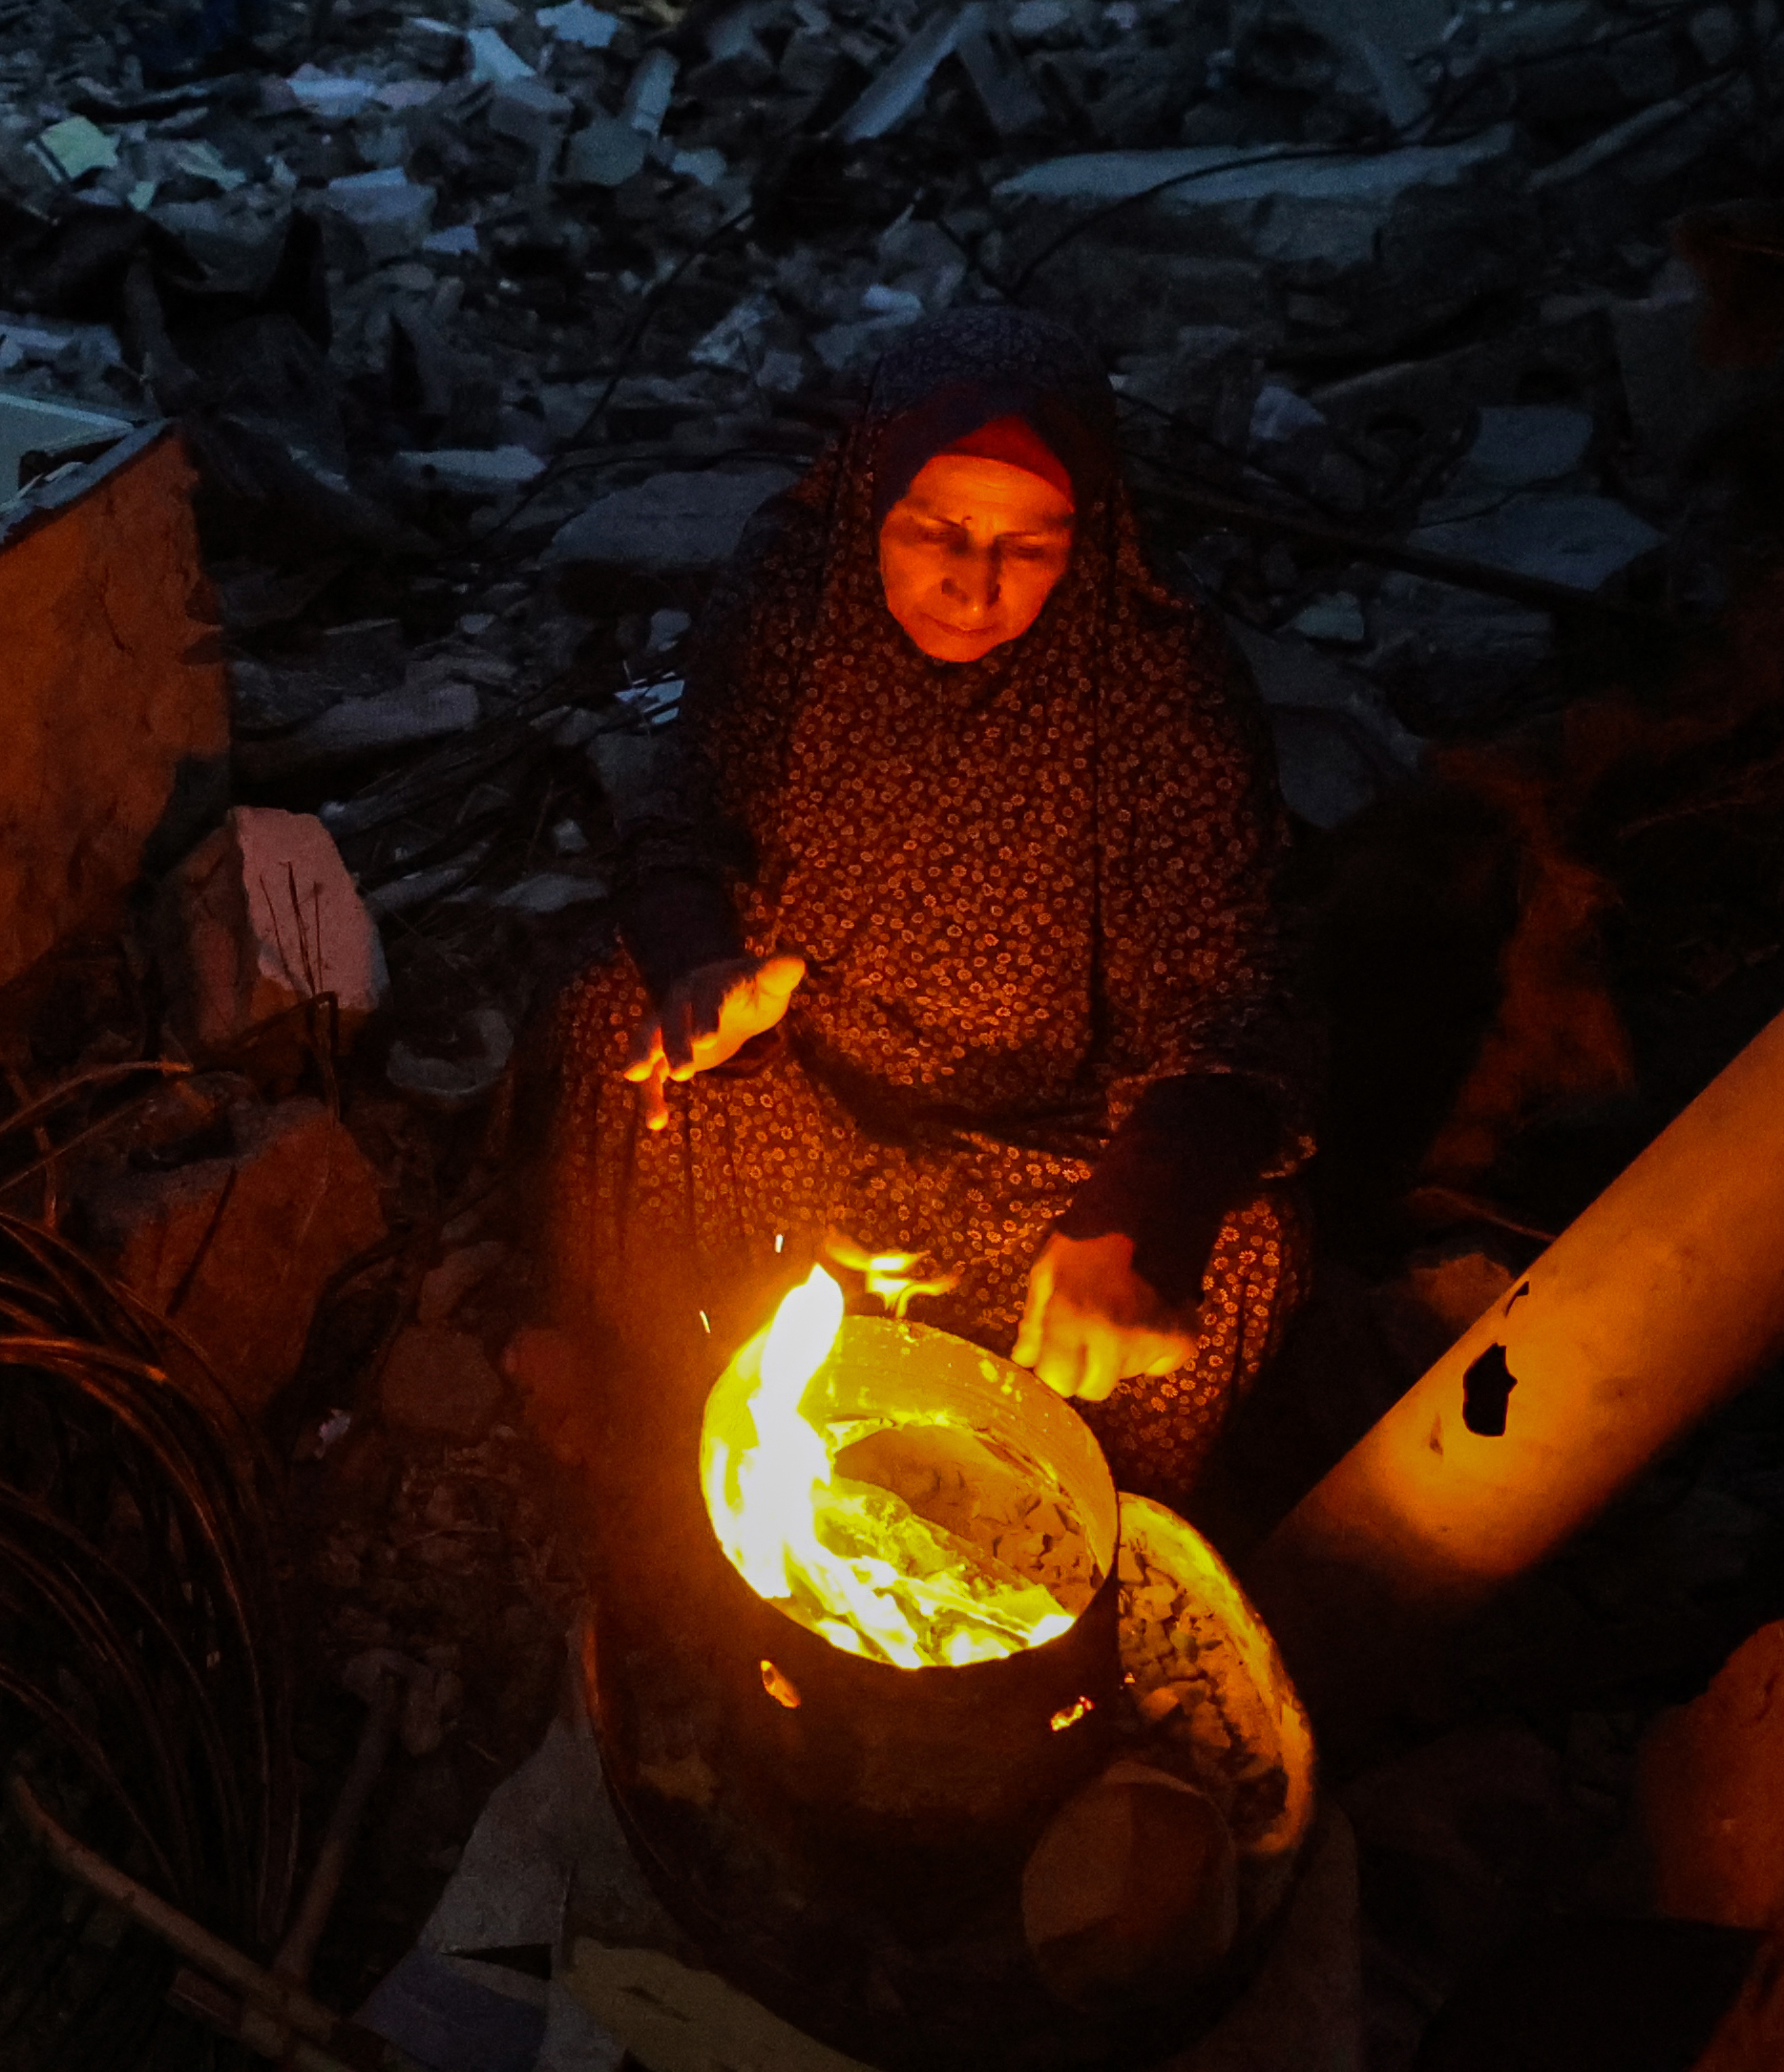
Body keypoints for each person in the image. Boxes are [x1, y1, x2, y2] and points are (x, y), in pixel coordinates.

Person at [537, 306, 1311, 1501]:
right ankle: (657, 1419)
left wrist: (1143, 1195)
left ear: (1088, 538)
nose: (974, 579)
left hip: (1036, 1167)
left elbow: (1239, 996)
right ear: (868, 502)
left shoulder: (1157, 669)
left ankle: (1084, 1516)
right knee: (609, 1030)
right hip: (804, 1101)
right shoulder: (797, 596)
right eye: (936, 525)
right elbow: (680, 820)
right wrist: (704, 973)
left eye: (1032, 545)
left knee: (1252, 1247)